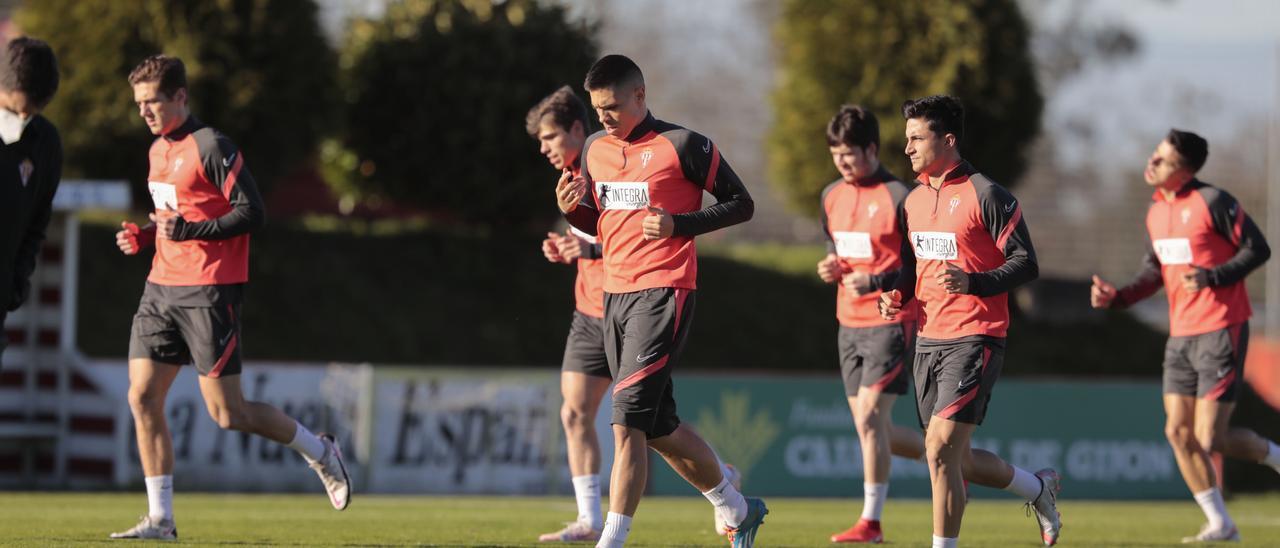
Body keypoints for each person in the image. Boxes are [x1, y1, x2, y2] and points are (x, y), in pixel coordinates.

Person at [109, 55, 350, 540]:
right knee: (141, 396)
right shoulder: (157, 151)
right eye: (139, 103)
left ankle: (320, 451)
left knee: (227, 413)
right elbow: (172, 220)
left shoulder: (212, 145)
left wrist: (189, 229)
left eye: (153, 100)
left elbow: (252, 212)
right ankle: (161, 519)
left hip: (209, 288)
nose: (145, 112)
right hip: (160, 288)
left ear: (181, 96)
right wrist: (146, 237)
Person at [556, 55, 764, 548]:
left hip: (664, 291)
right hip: (615, 294)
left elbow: (742, 204)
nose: (604, 117)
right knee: (656, 426)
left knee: (626, 420)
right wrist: (574, 210)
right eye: (598, 109)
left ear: (640, 96)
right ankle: (737, 508)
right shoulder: (592, 149)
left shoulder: (682, 145)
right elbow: (603, 223)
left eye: (612, 107)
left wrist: (679, 225)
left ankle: (611, 540)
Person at [879, 95, 1060, 548]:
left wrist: (975, 282)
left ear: (949, 139)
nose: (908, 148)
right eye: (907, 139)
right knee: (953, 461)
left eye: (917, 138)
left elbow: (1026, 263)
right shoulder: (915, 199)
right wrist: (899, 293)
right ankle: (1038, 488)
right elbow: (910, 262)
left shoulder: (987, 194)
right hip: (927, 337)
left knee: (940, 451)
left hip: (976, 335)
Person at [1090, 129, 1278, 543]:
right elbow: (1153, 272)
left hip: (1221, 327)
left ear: (1186, 169)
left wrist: (1213, 276)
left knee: (1212, 437)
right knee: (1177, 432)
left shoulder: (1213, 202)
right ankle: (1220, 522)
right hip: (1181, 335)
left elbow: (1258, 248)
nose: (1152, 163)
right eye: (1154, 155)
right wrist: (1117, 297)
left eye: (1163, 160)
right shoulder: (1156, 211)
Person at [816, 105, 926, 544]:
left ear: (873, 149)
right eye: (836, 154)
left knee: (870, 419)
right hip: (848, 320)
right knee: (869, 425)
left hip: (891, 317)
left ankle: (872, 523)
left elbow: (919, 264)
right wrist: (832, 267)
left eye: (851, 154)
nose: (843, 162)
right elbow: (836, 246)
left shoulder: (901, 196)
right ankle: (952, 463)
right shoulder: (830, 195)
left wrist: (878, 280)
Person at [0, 37, 61, 368]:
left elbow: (38, 222)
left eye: (32, 110)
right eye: (14, 108)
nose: (23, 116)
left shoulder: (46, 142)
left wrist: (16, 284)